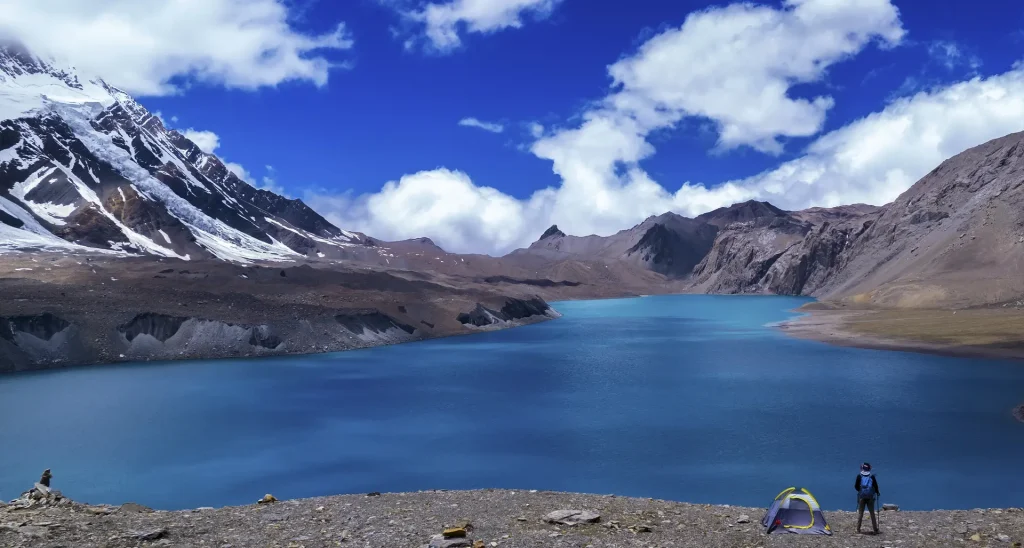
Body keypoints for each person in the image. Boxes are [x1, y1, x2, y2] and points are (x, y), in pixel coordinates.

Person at [854, 462, 880, 534]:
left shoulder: (859, 476)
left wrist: (861, 491)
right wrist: (877, 492)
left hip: (862, 496)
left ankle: (858, 529)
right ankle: (875, 529)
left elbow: (856, 486)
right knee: (872, 513)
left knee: (860, 513)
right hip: (870, 497)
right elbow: (876, 486)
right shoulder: (872, 476)